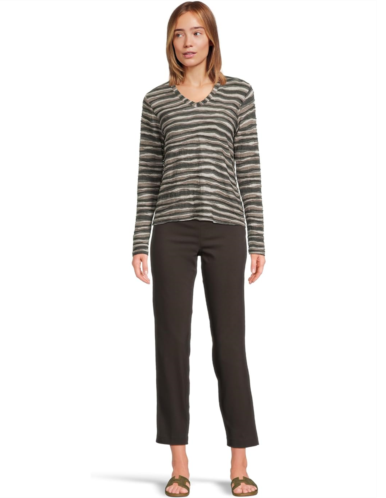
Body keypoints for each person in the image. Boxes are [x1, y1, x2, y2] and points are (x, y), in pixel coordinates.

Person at [131, 2, 265, 496]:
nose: (187, 42)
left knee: (230, 344)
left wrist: (258, 237)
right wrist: (139, 239)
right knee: (172, 344)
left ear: (211, 38)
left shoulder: (239, 94)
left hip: (227, 230)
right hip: (171, 232)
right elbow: (148, 174)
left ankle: (239, 461)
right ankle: (179, 461)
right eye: (178, 34)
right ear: (171, 42)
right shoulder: (156, 101)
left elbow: (248, 166)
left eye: (196, 32)